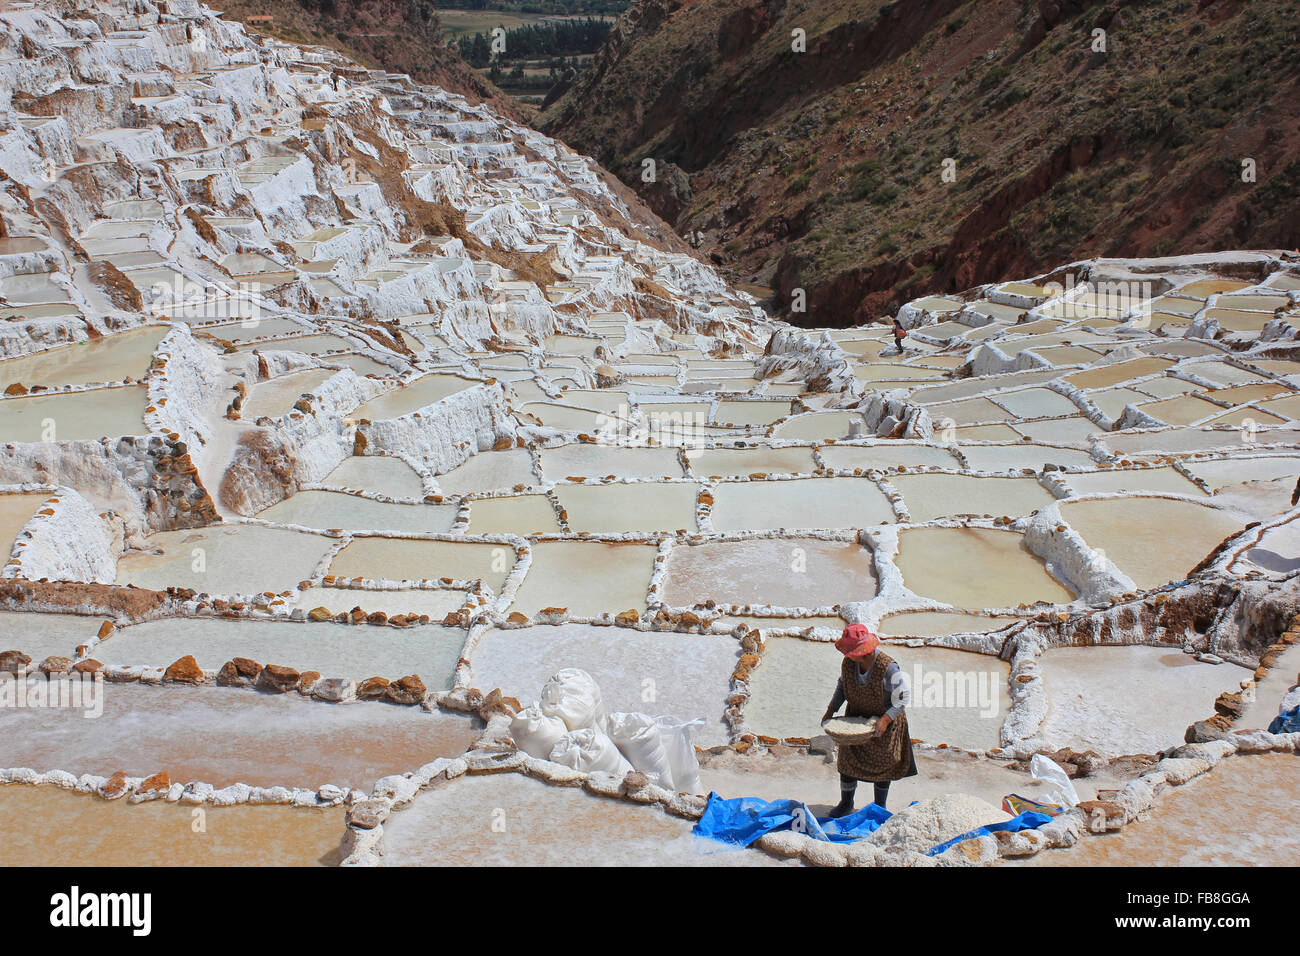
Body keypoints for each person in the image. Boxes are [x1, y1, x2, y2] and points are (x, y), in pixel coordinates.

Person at [821, 623, 916, 816]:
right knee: (847, 762)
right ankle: (846, 803)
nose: (847, 655)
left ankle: (879, 808)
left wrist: (885, 720)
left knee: (882, 766)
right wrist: (831, 710)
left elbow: (902, 698)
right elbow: (842, 686)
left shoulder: (887, 667)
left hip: (884, 722)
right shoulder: (849, 664)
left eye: (850, 652)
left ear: (862, 652)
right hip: (856, 719)